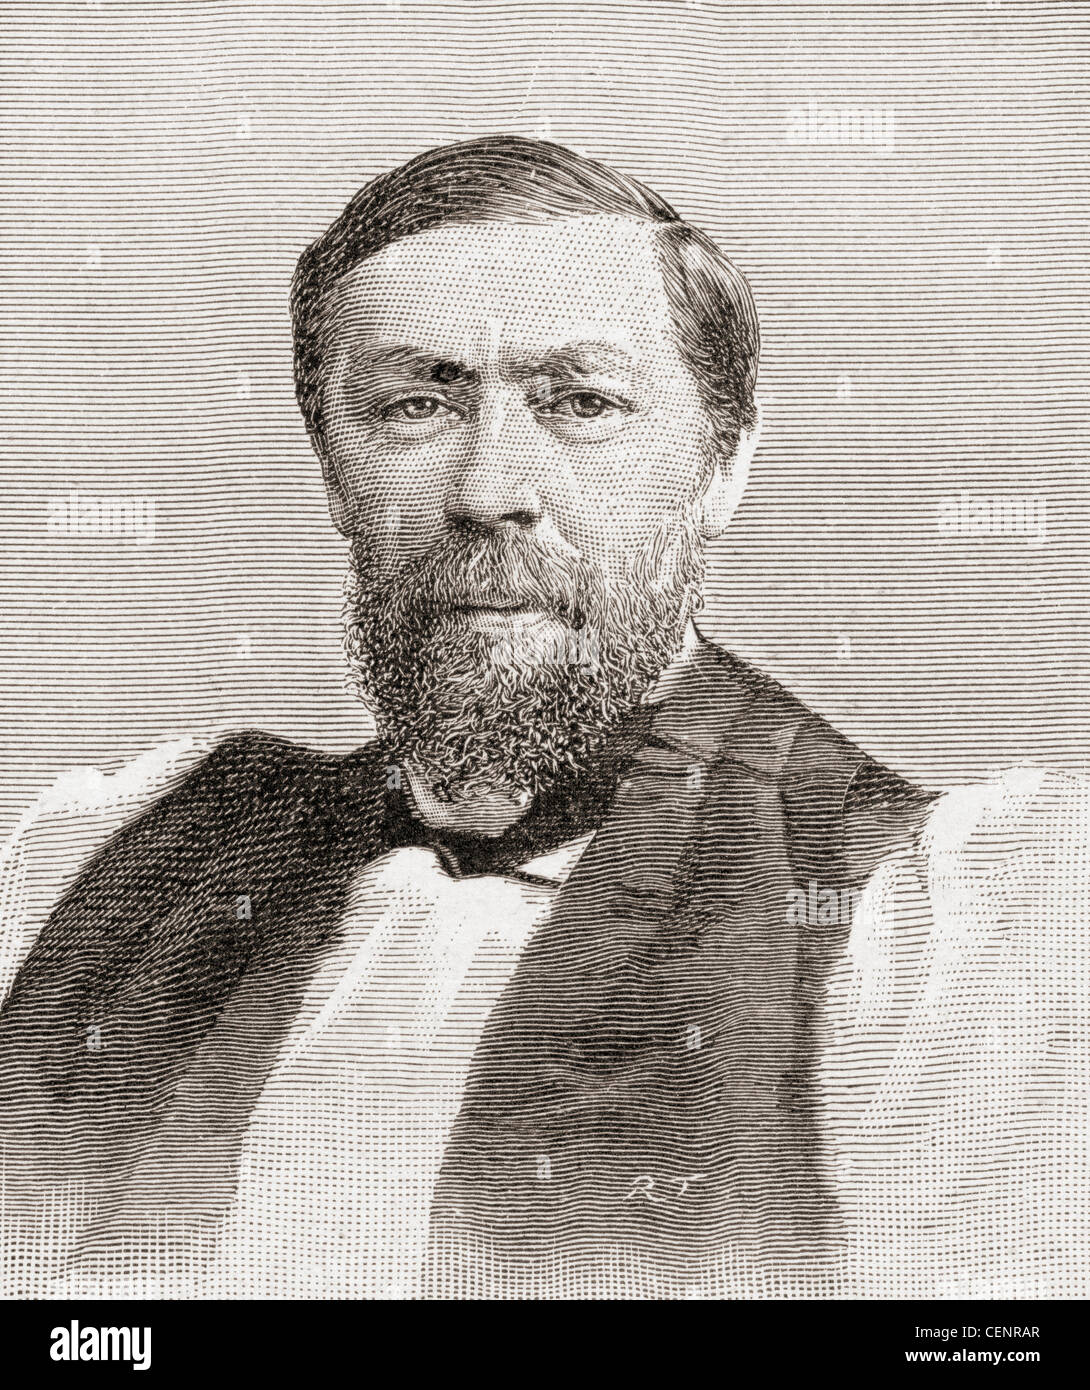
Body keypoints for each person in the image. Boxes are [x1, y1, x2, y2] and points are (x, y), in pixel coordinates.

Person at [0, 137, 1084, 1299]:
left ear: (722, 466)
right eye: (416, 404)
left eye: (582, 403)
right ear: (331, 469)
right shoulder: (108, 858)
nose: (488, 490)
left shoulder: (927, 935)